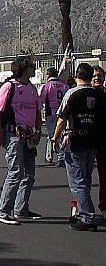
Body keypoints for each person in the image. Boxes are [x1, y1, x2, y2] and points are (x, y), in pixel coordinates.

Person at [52, 63, 106, 231]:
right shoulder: (100, 94)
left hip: (75, 139)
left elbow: (62, 118)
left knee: (77, 181)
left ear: (77, 76)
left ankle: (86, 216)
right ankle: (83, 211)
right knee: (86, 179)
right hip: (94, 141)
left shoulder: (72, 93)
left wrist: (55, 137)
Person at [0, 57, 43, 225]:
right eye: (31, 66)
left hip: (29, 135)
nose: (34, 68)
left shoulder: (32, 89)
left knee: (29, 174)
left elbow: (36, 110)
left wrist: (38, 130)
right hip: (13, 135)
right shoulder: (9, 86)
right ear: (23, 68)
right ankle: (3, 210)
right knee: (15, 172)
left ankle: (21, 209)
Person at [39, 67, 69, 166]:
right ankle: (49, 155)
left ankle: (60, 157)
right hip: (62, 113)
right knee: (60, 133)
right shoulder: (64, 86)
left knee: (53, 135)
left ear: (48, 75)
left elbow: (42, 100)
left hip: (51, 112)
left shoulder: (47, 86)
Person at [92, 65, 106, 218]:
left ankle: (104, 206)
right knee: (82, 178)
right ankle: (79, 208)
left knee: (104, 177)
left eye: (99, 76)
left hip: (103, 142)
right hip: (86, 141)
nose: (97, 78)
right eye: (94, 76)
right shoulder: (84, 94)